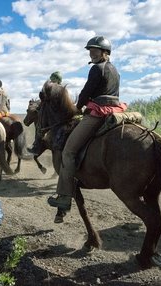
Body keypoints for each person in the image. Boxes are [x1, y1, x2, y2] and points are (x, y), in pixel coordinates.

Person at [47, 36, 125, 211]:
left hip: (97, 113)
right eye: (90, 50)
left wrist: (77, 107)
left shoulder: (97, 69)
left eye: (95, 50)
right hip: (115, 110)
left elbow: (86, 92)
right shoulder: (115, 70)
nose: (91, 53)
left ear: (105, 52)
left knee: (68, 151)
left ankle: (64, 198)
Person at [27, 71, 63, 155]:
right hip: (62, 115)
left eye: (52, 78)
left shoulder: (50, 88)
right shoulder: (63, 89)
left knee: (40, 127)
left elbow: (43, 101)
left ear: (55, 79)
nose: (51, 80)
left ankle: (36, 147)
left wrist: (39, 108)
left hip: (51, 115)